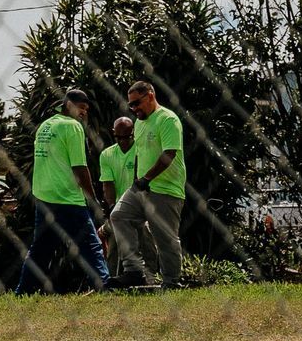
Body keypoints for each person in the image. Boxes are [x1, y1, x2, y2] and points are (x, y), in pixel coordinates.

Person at [14, 89, 108, 294]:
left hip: (44, 197)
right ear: (68, 105)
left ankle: (24, 291)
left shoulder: (45, 126)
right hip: (67, 197)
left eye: (86, 110)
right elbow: (79, 167)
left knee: (40, 250)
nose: (83, 113)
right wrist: (92, 198)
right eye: (80, 108)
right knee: (90, 245)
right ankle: (104, 284)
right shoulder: (73, 127)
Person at [110, 80, 186, 289]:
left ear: (151, 96)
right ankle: (134, 271)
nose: (134, 109)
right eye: (131, 106)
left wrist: (146, 179)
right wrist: (138, 180)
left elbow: (169, 154)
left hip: (165, 188)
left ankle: (171, 282)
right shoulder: (140, 123)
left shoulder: (167, 119)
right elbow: (139, 156)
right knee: (119, 215)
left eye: (137, 103)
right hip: (142, 187)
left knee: (165, 238)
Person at [98, 116, 134, 213]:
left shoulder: (141, 150)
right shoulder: (106, 155)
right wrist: (112, 206)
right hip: (120, 206)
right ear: (114, 133)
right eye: (118, 137)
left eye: (126, 137)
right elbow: (108, 183)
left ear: (133, 132)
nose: (122, 141)